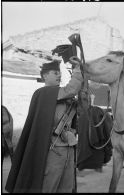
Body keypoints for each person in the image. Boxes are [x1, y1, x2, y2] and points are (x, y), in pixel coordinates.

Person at [5, 57, 83, 193]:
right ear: (45, 76)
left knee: (66, 189)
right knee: (49, 188)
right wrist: (77, 69)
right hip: (53, 151)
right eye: (55, 73)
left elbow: (80, 109)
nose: (59, 75)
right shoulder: (43, 93)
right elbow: (72, 88)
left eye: (59, 72)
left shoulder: (64, 96)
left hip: (69, 149)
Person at [77, 92, 113, 173]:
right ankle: (86, 164)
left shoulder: (97, 111)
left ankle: (96, 165)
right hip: (85, 120)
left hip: (91, 119)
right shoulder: (80, 107)